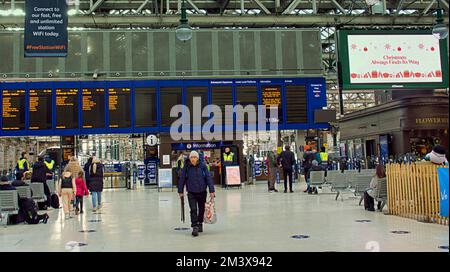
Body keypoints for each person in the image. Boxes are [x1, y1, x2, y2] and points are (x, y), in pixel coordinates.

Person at [178, 151, 215, 237]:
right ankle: (195, 226)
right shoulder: (186, 167)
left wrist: (211, 190)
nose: (193, 159)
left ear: (198, 158)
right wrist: (180, 191)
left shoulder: (203, 166)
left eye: (195, 157)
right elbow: (182, 178)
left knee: (201, 209)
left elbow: (208, 177)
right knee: (193, 209)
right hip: (191, 192)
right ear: (189, 158)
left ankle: (200, 223)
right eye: (191, 157)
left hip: (202, 191)